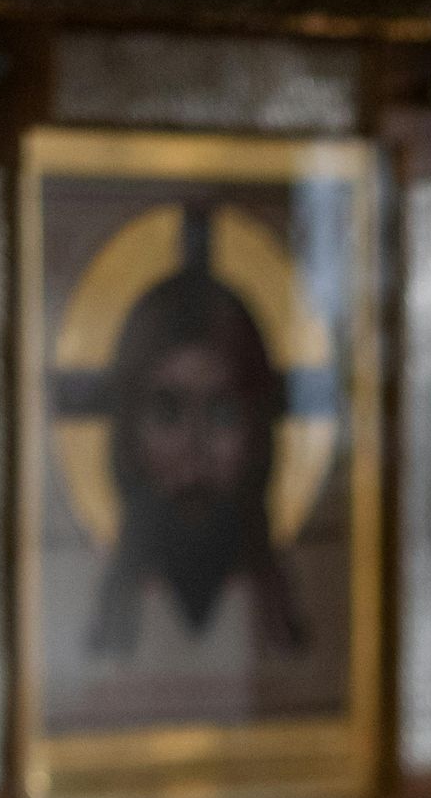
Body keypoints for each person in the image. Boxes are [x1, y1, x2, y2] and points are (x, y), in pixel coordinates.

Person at [86, 234, 308, 670]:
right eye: (169, 411)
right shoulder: (55, 589)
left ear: (259, 432)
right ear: (129, 430)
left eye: (223, 414)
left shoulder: (311, 594)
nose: (194, 448)